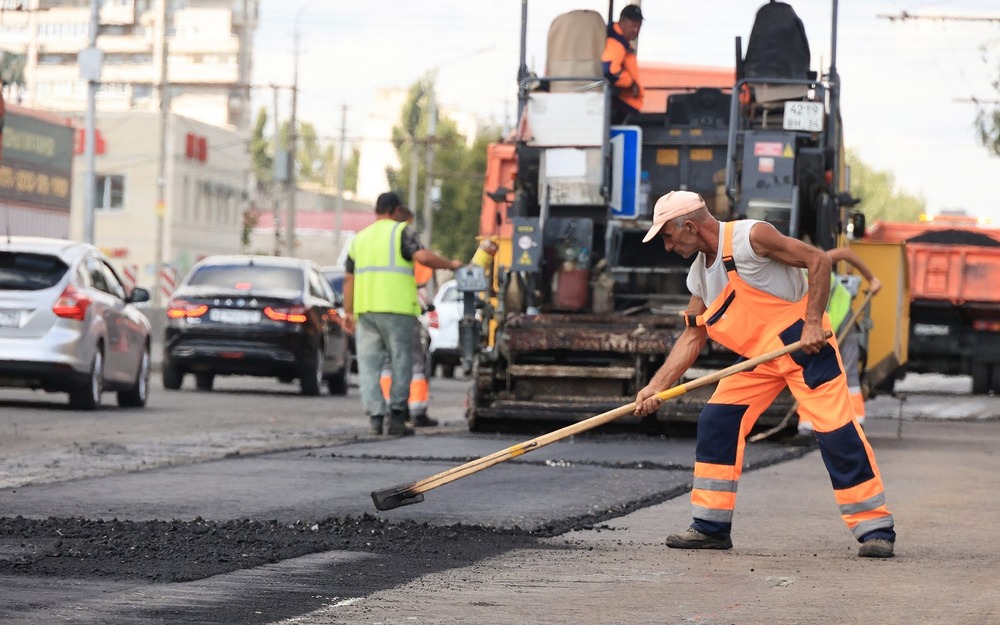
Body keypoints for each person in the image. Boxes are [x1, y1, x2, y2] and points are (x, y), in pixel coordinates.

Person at [634, 190, 896, 558]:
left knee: (836, 430)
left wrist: (811, 324)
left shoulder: (751, 237)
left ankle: (875, 528)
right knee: (717, 419)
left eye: (667, 236)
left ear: (690, 227)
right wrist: (655, 388)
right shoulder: (700, 277)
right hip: (758, 358)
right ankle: (710, 525)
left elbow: (819, 260)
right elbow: (693, 337)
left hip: (804, 348)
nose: (666, 246)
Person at [342, 192, 464, 437]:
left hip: (366, 311)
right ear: (396, 210)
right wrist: (451, 265)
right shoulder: (401, 232)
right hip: (396, 310)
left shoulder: (359, 239)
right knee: (400, 362)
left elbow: (348, 278)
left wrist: (347, 311)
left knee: (369, 366)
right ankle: (397, 418)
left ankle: (376, 418)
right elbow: (422, 257)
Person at [797, 247, 882, 437]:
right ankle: (808, 423)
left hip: (841, 314)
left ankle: (856, 420)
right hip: (815, 323)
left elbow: (846, 253)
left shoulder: (805, 260)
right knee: (809, 370)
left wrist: (872, 279)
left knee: (847, 368)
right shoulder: (781, 277)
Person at [378, 205, 437, 428]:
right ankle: (416, 411)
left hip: (376, 311)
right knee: (413, 363)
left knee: (386, 363)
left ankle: (387, 409)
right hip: (404, 311)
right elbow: (422, 277)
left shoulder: (371, 241)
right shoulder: (406, 238)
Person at [602, 4, 645, 125]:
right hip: (621, 105)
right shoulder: (615, 42)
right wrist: (631, 84)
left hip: (625, 105)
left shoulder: (623, 43)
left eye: (639, 26)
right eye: (633, 26)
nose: (636, 30)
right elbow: (609, 69)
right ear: (622, 21)